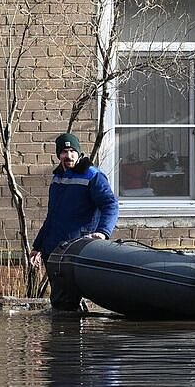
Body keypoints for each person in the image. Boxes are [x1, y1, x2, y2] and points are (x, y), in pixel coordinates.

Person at [30, 132, 119, 313]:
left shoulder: (92, 176)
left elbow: (110, 204)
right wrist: (38, 246)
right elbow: (52, 217)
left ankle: (68, 329)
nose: (69, 155)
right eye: (64, 151)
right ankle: (69, 328)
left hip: (76, 248)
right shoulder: (58, 178)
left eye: (72, 151)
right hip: (54, 248)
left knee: (65, 303)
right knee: (61, 301)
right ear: (58, 155)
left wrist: (103, 232)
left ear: (78, 153)